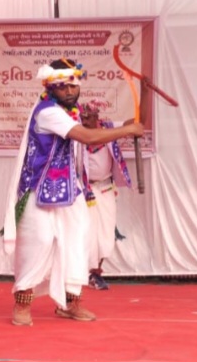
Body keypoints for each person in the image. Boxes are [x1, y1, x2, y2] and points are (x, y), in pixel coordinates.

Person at [3, 59, 143, 327]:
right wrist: (127, 131)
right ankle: (22, 303)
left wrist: (143, 94)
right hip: (39, 188)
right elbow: (87, 137)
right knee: (38, 242)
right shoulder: (47, 112)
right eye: (62, 87)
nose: (69, 91)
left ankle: (71, 303)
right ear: (50, 88)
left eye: (73, 86)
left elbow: (131, 123)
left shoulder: (74, 111)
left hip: (71, 190)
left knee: (77, 243)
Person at [78, 98, 133, 291]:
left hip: (105, 189)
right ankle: (78, 272)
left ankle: (95, 274)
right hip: (82, 190)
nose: (84, 121)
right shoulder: (77, 134)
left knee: (104, 235)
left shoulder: (109, 129)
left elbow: (135, 123)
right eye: (82, 117)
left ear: (97, 116)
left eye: (88, 117)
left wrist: (144, 93)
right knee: (84, 232)